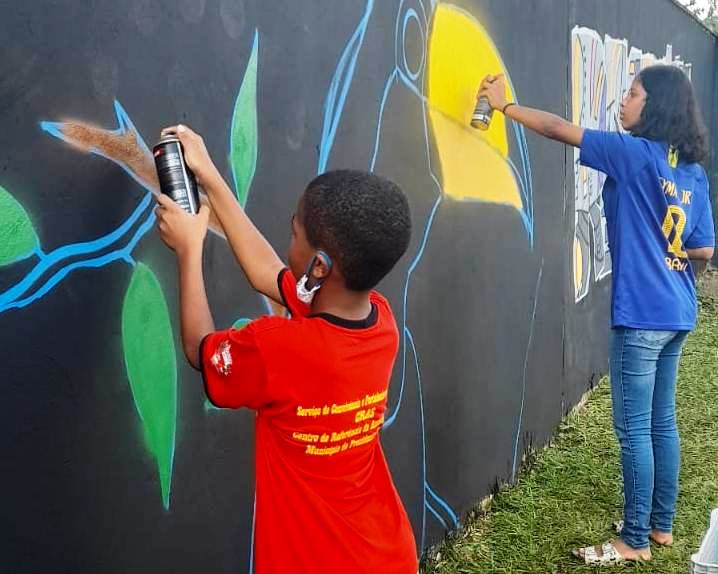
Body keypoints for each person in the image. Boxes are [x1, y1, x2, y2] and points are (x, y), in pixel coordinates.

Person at [478, 65, 715, 565]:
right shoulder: (690, 172)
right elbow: (704, 249)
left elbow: (555, 128)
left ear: (656, 107)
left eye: (632, 94)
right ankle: (661, 527)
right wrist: (665, 252)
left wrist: (504, 106)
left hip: (643, 315)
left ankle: (632, 541)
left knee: (634, 429)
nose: (623, 102)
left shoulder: (633, 155)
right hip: (677, 311)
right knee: (661, 422)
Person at [155, 125, 418, 574]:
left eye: (294, 232)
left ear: (319, 264)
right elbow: (270, 275)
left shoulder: (278, 348)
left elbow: (201, 349)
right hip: (386, 553)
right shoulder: (380, 322)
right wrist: (212, 180)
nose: (288, 239)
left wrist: (188, 251)